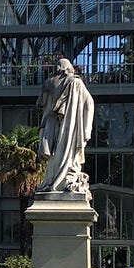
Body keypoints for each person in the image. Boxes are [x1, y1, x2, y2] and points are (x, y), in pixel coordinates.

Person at [37, 58, 95, 195]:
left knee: (53, 156)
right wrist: (87, 130)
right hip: (70, 128)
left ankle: (52, 181)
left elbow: (40, 103)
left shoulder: (49, 83)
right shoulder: (77, 83)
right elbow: (89, 103)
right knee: (68, 155)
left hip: (51, 125)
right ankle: (64, 179)